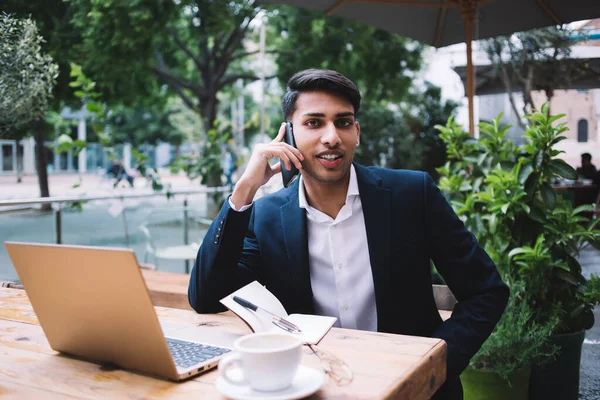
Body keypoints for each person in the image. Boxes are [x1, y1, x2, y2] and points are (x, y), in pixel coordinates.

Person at [188, 69, 508, 399]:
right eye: (314, 123)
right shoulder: (265, 217)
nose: (332, 136)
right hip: (315, 388)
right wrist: (244, 191)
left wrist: (433, 363)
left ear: (356, 132)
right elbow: (206, 297)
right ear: (288, 137)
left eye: (343, 122)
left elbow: (486, 291)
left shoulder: (413, 195)